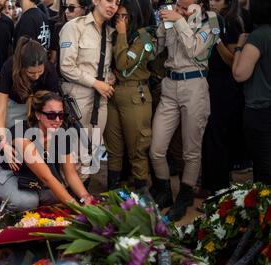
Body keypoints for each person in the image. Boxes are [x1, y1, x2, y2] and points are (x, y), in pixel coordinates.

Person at [149, 0, 220, 221]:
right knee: (156, 148)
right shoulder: (172, 14)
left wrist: (179, 21)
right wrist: (160, 28)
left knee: (191, 150)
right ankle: (164, 192)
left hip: (194, 86)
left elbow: (194, 50)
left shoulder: (211, 21)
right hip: (169, 86)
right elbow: (154, 51)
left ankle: (185, 194)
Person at [0, 90, 94, 212]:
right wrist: (77, 208)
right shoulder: (23, 134)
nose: (57, 120)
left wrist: (85, 197)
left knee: (57, 196)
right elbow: (47, 177)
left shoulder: (61, 133)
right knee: (27, 202)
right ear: (38, 115)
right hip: (4, 173)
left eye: (61, 115)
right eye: (51, 115)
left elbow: (71, 174)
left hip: (30, 176)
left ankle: (31, 201)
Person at [59, 0, 119, 183]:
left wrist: (110, 77)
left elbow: (105, 65)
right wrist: (96, 83)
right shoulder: (74, 27)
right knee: (73, 152)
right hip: (77, 99)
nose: (113, 6)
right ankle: (66, 199)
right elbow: (66, 67)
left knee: (91, 151)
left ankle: (82, 197)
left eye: (117, 3)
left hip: (101, 100)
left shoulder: (110, 33)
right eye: (109, 0)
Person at [104, 0, 154, 191]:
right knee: (114, 149)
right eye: (118, 16)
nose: (120, 21)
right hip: (113, 94)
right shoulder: (111, 35)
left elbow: (124, 63)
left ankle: (141, 192)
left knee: (137, 148)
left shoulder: (145, 37)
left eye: (125, 16)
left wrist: (123, 34)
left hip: (136, 94)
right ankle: (113, 191)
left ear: (134, 16)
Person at [200, 0, 244, 195]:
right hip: (209, 81)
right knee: (208, 134)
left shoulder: (232, 22)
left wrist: (216, 37)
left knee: (217, 135)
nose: (211, 2)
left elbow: (232, 60)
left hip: (224, 85)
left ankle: (220, 189)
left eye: (216, 0)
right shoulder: (209, 20)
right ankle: (208, 185)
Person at [232, 0, 271, 184]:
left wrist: (239, 46)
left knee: (263, 170)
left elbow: (240, 74)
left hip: (259, 109)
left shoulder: (258, 36)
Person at [48, 0, 90, 65]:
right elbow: (53, 60)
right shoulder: (59, 28)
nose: (66, 11)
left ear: (84, 9)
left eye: (71, 8)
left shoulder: (92, 30)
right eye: (65, 7)